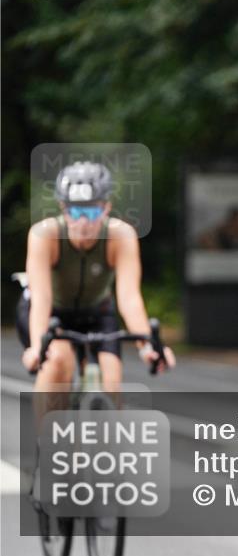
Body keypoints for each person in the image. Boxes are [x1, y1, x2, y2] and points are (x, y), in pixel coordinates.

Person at [18, 161, 176, 396]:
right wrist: (36, 348)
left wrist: (148, 346)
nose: (83, 223)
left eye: (91, 212)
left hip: (97, 312)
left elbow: (129, 297)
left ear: (106, 209)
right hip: (52, 314)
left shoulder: (120, 236)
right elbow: (42, 298)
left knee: (111, 382)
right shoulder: (45, 235)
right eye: (75, 211)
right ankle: (46, 432)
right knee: (59, 362)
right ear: (63, 208)